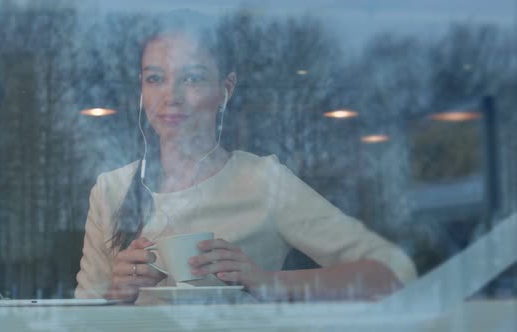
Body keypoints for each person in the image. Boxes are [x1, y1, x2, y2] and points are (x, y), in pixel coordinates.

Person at [75, 11, 417, 304]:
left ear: (226, 89)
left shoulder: (263, 181)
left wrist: (265, 282)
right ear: (142, 89)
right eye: (155, 79)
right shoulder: (112, 190)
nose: (171, 96)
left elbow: (393, 273)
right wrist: (115, 295)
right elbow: (75, 319)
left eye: (192, 78)